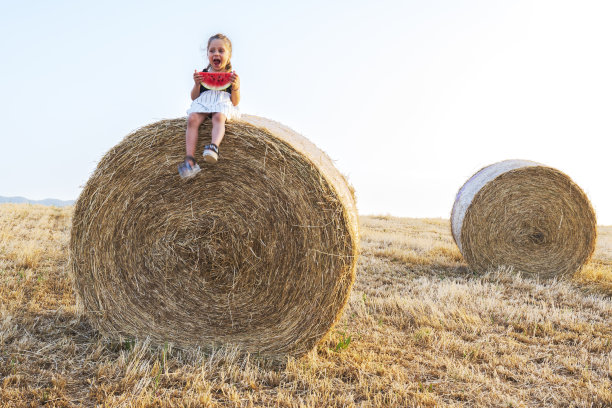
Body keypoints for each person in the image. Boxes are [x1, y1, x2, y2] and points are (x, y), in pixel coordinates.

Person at [178, 33, 241, 179]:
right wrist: (197, 84)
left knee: (219, 117)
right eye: (212, 51)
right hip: (204, 102)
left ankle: (214, 146)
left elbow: (235, 101)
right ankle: (190, 159)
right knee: (192, 119)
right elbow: (194, 97)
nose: (216, 53)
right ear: (207, 54)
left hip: (221, 102)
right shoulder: (203, 74)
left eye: (221, 50)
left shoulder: (231, 76)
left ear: (229, 55)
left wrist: (236, 87)